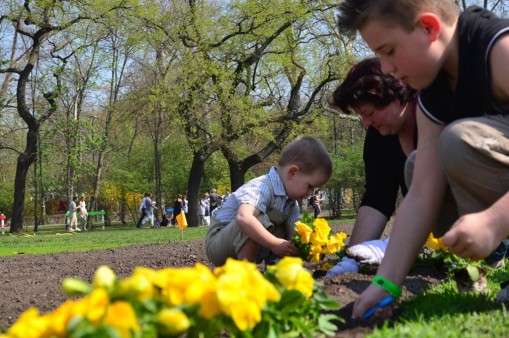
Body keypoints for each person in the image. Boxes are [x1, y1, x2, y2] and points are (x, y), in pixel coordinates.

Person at [335, 0, 509, 319]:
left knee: (458, 141)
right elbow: (421, 193)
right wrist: (386, 283)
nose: (386, 69)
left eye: (388, 51)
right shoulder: (433, 92)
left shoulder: (499, 52)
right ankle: (472, 274)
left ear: (429, 28)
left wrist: (496, 220)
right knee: (418, 165)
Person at [326, 57, 418, 276]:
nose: (366, 123)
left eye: (369, 113)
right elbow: (377, 197)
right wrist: (353, 259)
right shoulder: (380, 135)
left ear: (395, 97)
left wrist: (392, 246)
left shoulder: (436, 114)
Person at [205, 136, 333, 267]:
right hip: (219, 244)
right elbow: (243, 218)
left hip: (238, 242)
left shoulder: (291, 204)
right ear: (293, 173)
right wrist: (274, 244)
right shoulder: (262, 187)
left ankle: (277, 271)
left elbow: (292, 240)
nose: (311, 193)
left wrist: (311, 244)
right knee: (257, 218)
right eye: (310, 186)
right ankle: (244, 275)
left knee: (283, 226)